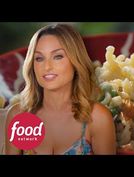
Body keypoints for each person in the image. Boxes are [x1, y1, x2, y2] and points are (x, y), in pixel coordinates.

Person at [5, 24, 116, 155]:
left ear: (75, 62)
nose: (47, 67)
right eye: (39, 58)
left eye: (58, 56)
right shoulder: (18, 116)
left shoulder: (97, 117)